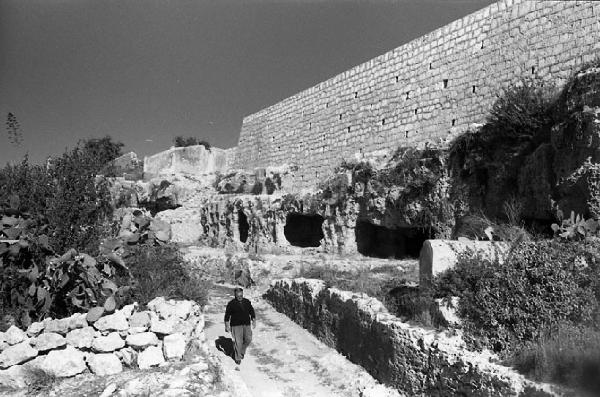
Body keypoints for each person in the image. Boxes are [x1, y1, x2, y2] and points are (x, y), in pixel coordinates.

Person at [224, 287, 256, 367]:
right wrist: (227, 325)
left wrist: (253, 320)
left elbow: (251, 311)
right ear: (235, 295)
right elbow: (227, 315)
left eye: (241, 295)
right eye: (238, 296)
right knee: (238, 342)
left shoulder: (247, 302)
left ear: (242, 294)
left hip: (246, 324)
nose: (240, 297)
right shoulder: (231, 304)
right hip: (235, 325)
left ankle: (242, 350)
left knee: (248, 339)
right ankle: (238, 357)